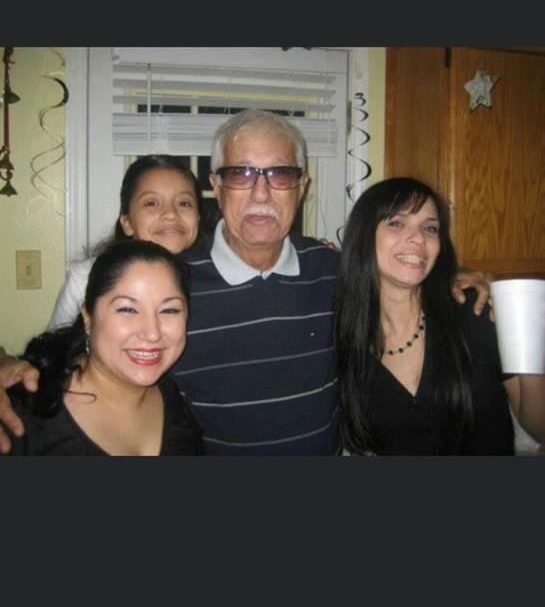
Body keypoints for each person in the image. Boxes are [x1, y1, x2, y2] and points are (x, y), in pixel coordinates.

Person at [0, 112, 492, 456]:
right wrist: (8, 366)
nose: (261, 193)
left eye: (280, 174)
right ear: (216, 185)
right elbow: (78, 354)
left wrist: (455, 276)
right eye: (241, 174)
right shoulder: (170, 284)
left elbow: (404, 275)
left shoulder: (335, 269)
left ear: (302, 187)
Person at [334, 177, 545, 455]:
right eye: (397, 223)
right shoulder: (341, 336)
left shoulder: (474, 311)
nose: (419, 238)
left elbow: (538, 427)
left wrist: (531, 335)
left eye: (430, 228)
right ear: (363, 235)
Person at [1, 240, 202, 456]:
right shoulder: (22, 414)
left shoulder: (173, 399)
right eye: (128, 309)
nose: (152, 333)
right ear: (88, 317)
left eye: (169, 310)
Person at [47, 154, 202, 330]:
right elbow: (54, 344)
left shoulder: (212, 276)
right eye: (152, 203)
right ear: (127, 222)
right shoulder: (85, 278)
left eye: (184, 203)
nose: (171, 214)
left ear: (198, 218)